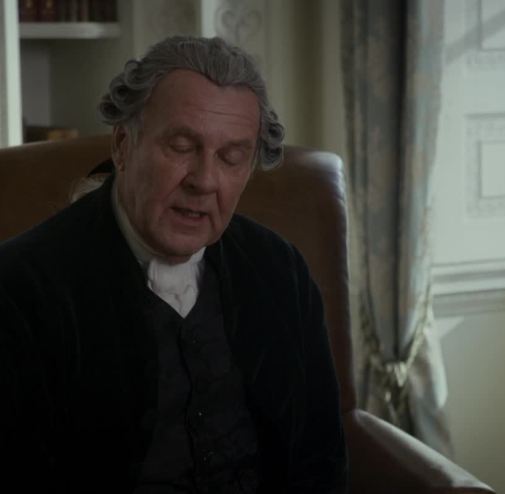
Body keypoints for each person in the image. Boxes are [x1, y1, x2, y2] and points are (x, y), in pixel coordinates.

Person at [0, 36, 347, 493]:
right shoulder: (21, 287)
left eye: (231, 158)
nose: (203, 181)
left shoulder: (282, 271)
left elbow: (320, 459)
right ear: (123, 145)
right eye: (181, 147)